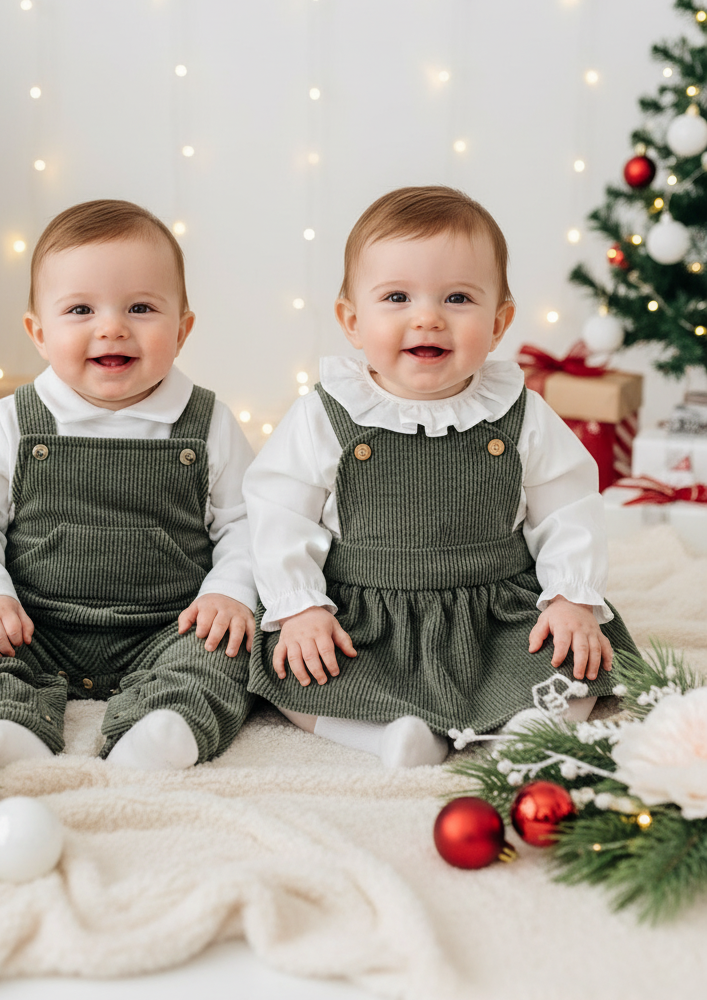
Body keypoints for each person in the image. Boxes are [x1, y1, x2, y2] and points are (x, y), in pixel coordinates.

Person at [244, 185, 637, 768]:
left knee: (573, 660)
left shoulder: (519, 411)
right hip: (367, 614)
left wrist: (570, 597)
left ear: (499, 322)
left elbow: (568, 507)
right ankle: (386, 738)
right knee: (297, 672)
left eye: (457, 298)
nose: (427, 317)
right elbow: (278, 513)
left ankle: (529, 725)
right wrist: (301, 607)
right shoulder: (327, 414)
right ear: (352, 321)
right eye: (397, 297)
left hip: (495, 610)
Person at [0, 199, 257, 772]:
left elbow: (248, 522)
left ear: (182, 330)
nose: (112, 327)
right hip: (31, 623)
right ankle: (2, 723)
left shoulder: (208, 423)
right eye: (80, 309)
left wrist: (229, 592)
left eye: (141, 307)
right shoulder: (15, 420)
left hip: (168, 626)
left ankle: (165, 726)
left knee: (232, 651)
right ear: (39, 332)